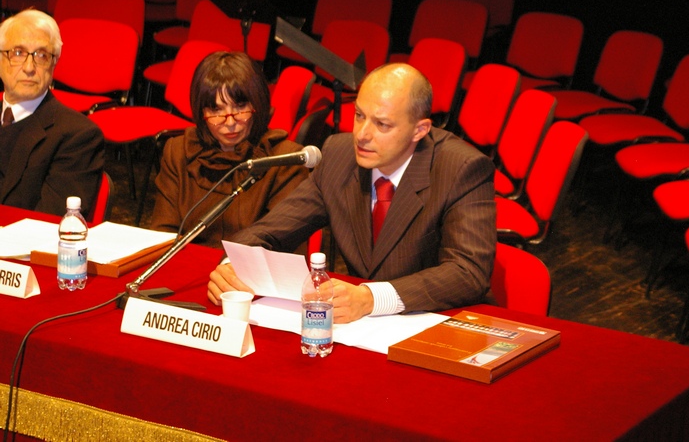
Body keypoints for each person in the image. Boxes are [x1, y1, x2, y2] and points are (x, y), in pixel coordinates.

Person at [208, 62, 497, 323]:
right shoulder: (338, 155)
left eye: (382, 124)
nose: (361, 134)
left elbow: (467, 272)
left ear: (419, 130)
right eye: (359, 115)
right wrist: (233, 266)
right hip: (359, 331)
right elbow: (272, 230)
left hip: (432, 323)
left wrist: (371, 298)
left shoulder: (461, 169)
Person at [150, 51, 309, 248]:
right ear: (201, 112)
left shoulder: (286, 161)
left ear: (257, 105)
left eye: (240, 107)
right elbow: (162, 235)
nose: (230, 122)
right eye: (216, 110)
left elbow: (281, 248)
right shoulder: (178, 152)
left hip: (251, 274)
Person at [0, 9, 104, 216]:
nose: (29, 67)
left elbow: (50, 224)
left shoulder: (78, 136)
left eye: (41, 56)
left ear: (54, 63)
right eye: (18, 53)